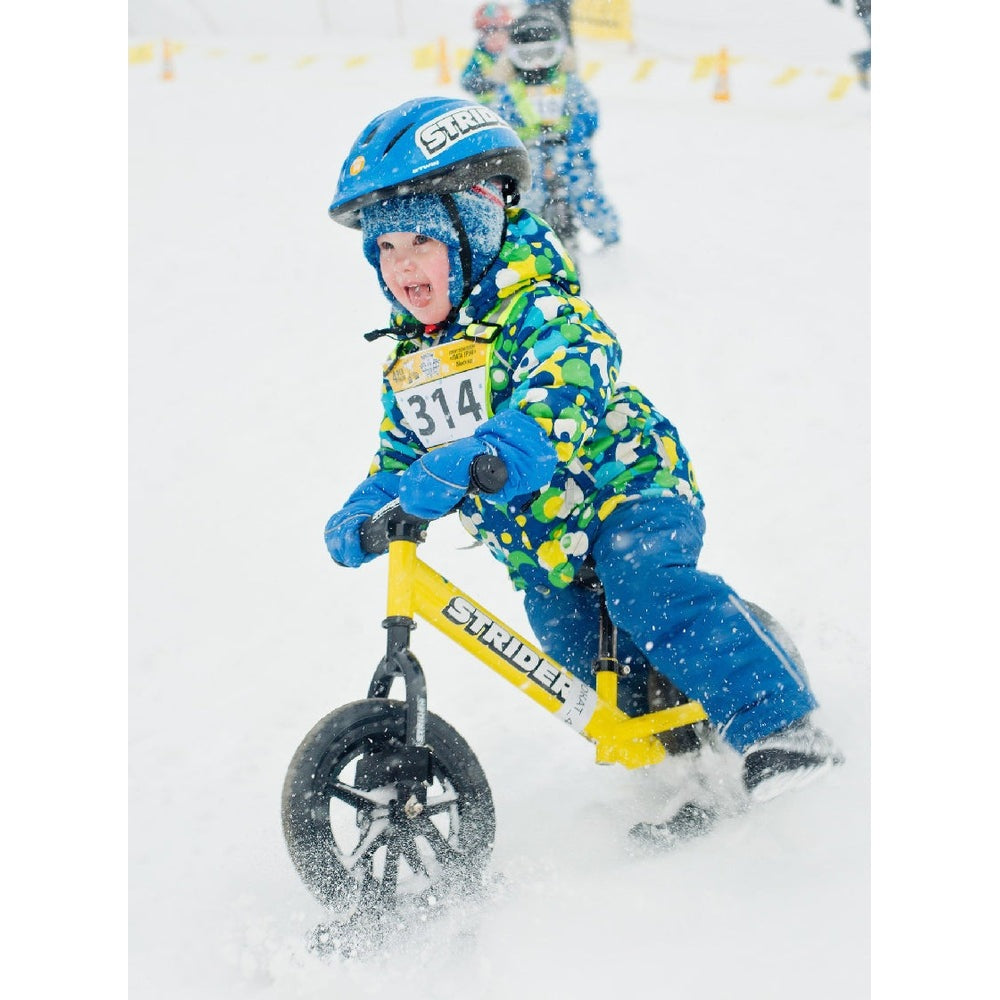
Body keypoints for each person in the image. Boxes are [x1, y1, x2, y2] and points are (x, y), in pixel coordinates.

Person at [323, 96, 843, 841]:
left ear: (474, 229)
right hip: (540, 546)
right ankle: (685, 774)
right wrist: (363, 509)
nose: (401, 265)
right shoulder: (414, 364)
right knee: (575, 658)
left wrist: (495, 453)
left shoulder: (546, 311)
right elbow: (401, 456)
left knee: (649, 591)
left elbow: (559, 399)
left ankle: (782, 727)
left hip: (626, 492)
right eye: (385, 249)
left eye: (419, 241)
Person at [493, 9, 621, 248]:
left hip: (570, 150)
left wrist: (576, 135)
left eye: (545, 53)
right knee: (526, 196)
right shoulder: (510, 89)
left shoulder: (568, 82)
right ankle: (525, 243)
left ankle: (609, 236)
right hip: (527, 155)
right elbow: (500, 123)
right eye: (528, 56)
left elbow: (589, 114)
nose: (538, 63)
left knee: (585, 189)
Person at [460, 3, 514, 108]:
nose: (495, 37)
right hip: (489, 108)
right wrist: (486, 83)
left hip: (515, 108)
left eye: (501, 32)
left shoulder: (515, 53)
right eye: (489, 33)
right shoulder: (479, 56)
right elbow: (466, 80)